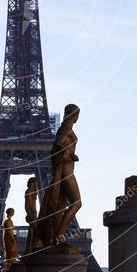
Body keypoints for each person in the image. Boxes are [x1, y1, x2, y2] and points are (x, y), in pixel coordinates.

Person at [36, 103, 82, 247]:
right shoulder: (66, 127)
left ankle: (58, 235)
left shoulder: (66, 127)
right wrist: (71, 155)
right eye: (77, 115)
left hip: (66, 170)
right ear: (73, 114)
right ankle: (59, 235)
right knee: (77, 203)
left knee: (61, 206)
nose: (78, 118)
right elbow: (57, 145)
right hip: (66, 172)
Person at [24, 177, 41, 253]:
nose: (37, 185)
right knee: (36, 232)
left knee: (32, 232)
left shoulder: (33, 193)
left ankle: (30, 248)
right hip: (32, 216)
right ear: (32, 183)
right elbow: (26, 206)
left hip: (34, 215)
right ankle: (31, 247)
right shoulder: (28, 192)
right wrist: (30, 215)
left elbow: (36, 192)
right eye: (35, 183)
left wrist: (36, 187)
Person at [2, 207, 19, 272]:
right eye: (13, 211)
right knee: (10, 251)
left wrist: (14, 234)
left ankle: (11, 263)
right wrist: (12, 239)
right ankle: (9, 265)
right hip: (9, 239)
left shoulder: (9, 220)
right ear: (10, 212)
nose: (14, 213)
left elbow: (10, 230)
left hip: (10, 238)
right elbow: (9, 231)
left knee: (12, 251)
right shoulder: (7, 221)